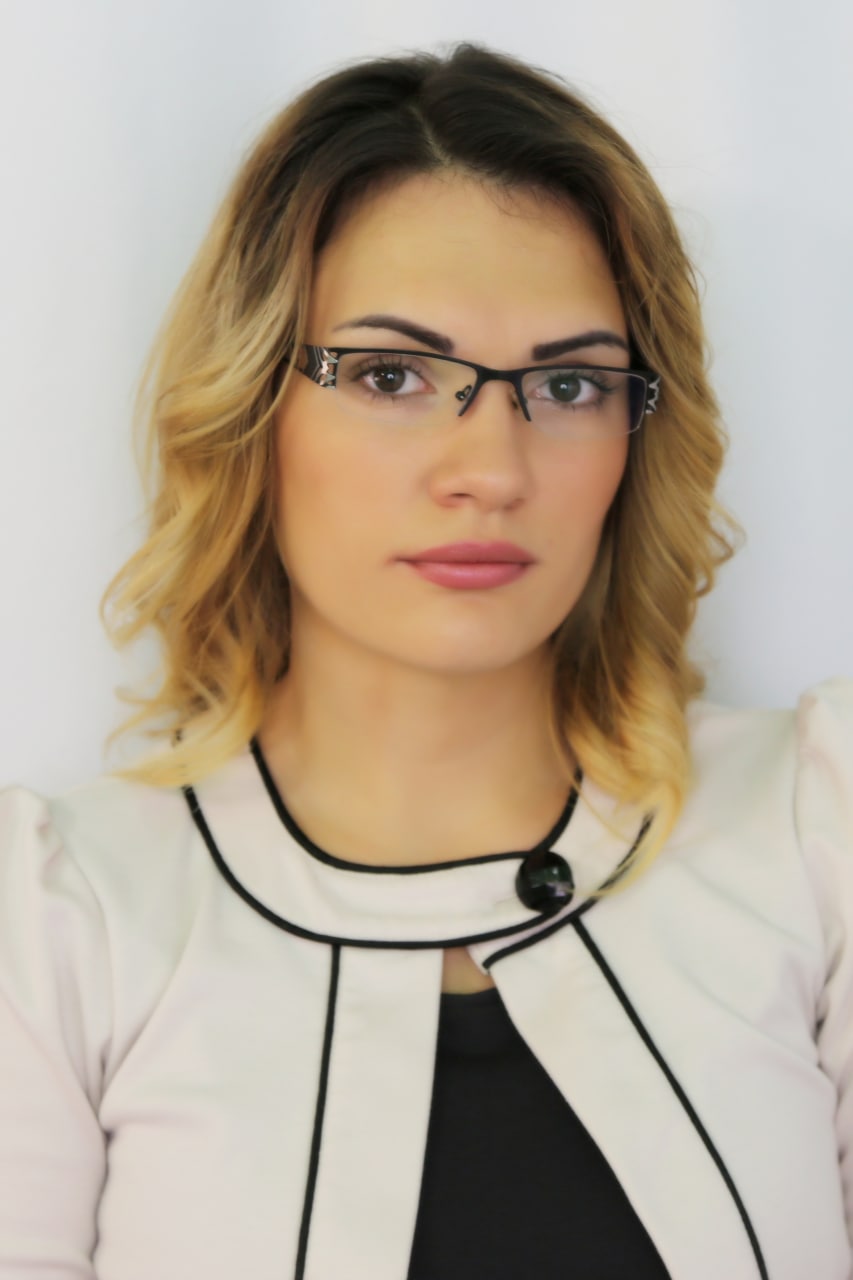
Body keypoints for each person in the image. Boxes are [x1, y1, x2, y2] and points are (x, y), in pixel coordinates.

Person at [0, 43, 850, 1280]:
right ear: (251, 408)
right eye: (390, 374)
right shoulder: (56, 925)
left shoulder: (820, 826)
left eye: (570, 383)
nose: (491, 470)